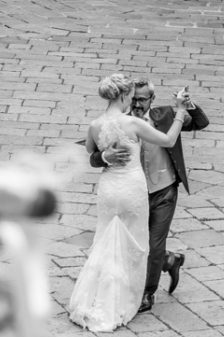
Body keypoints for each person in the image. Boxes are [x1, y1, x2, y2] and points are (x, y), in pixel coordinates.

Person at [68, 74, 189, 332]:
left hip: (109, 188)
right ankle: (127, 298)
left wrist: (105, 154)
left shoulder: (95, 125)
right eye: (131, 97)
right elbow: (167, 140)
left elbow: (90, 151)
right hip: (132, 189)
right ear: (123, 96)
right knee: (135, 244)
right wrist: (179, 111)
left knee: (105, 239)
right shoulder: (133, 123)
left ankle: (97, 296)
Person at [89, 78, 209, 313]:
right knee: (133, 243)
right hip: (133, 194)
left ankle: (147, 292)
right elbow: (93, 155)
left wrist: (187, 104)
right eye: (133, 98)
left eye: (142, 99)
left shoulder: (164, 117)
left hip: (162, 190)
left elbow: (201, 122)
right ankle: (170, 260)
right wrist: (104, 158)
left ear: (152, 100)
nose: (136, 103)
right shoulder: (117, 124)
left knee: (153, 244)